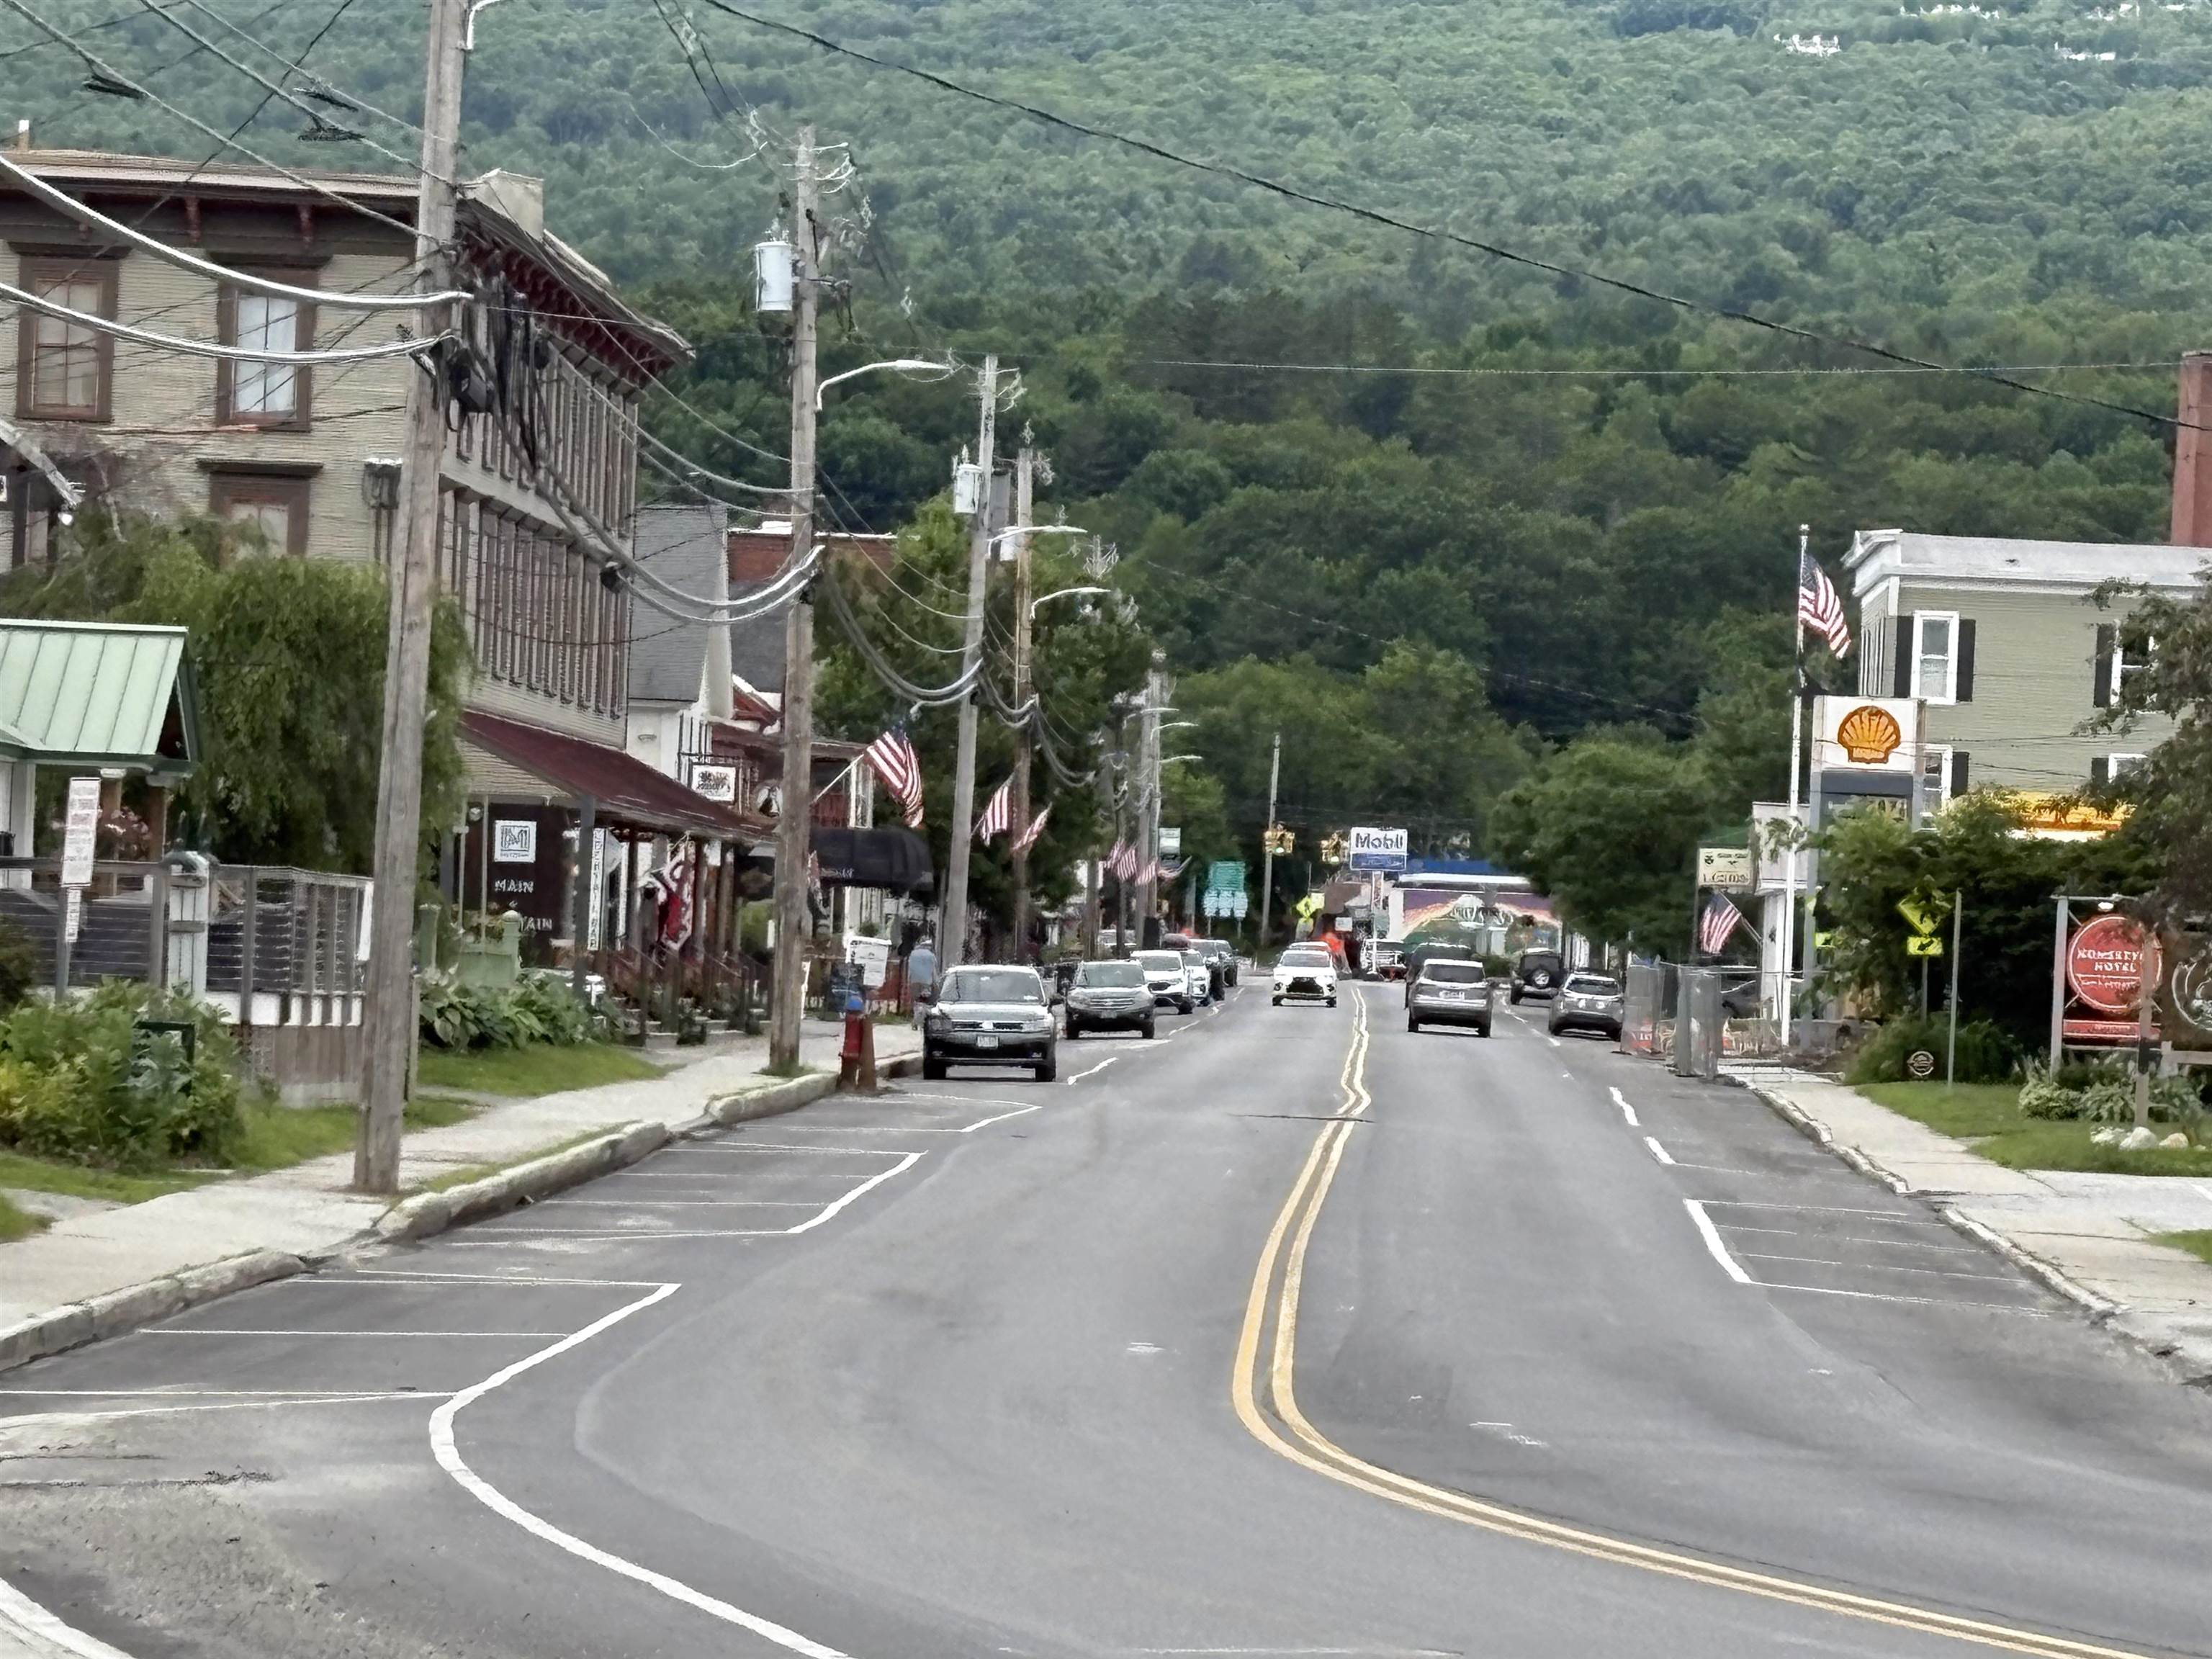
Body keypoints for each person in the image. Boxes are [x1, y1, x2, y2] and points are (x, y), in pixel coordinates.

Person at [907, 935, 938, 1019]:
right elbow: (933, 970)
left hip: (914, 981)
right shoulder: (931, 955)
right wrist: (935, 982)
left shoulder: (913, 954)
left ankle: (916, 1018)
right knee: (925, 1000)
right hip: (927, 982)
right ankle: (922, 1017)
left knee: (916, 1000)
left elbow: (910, 968)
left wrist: (909, 980)